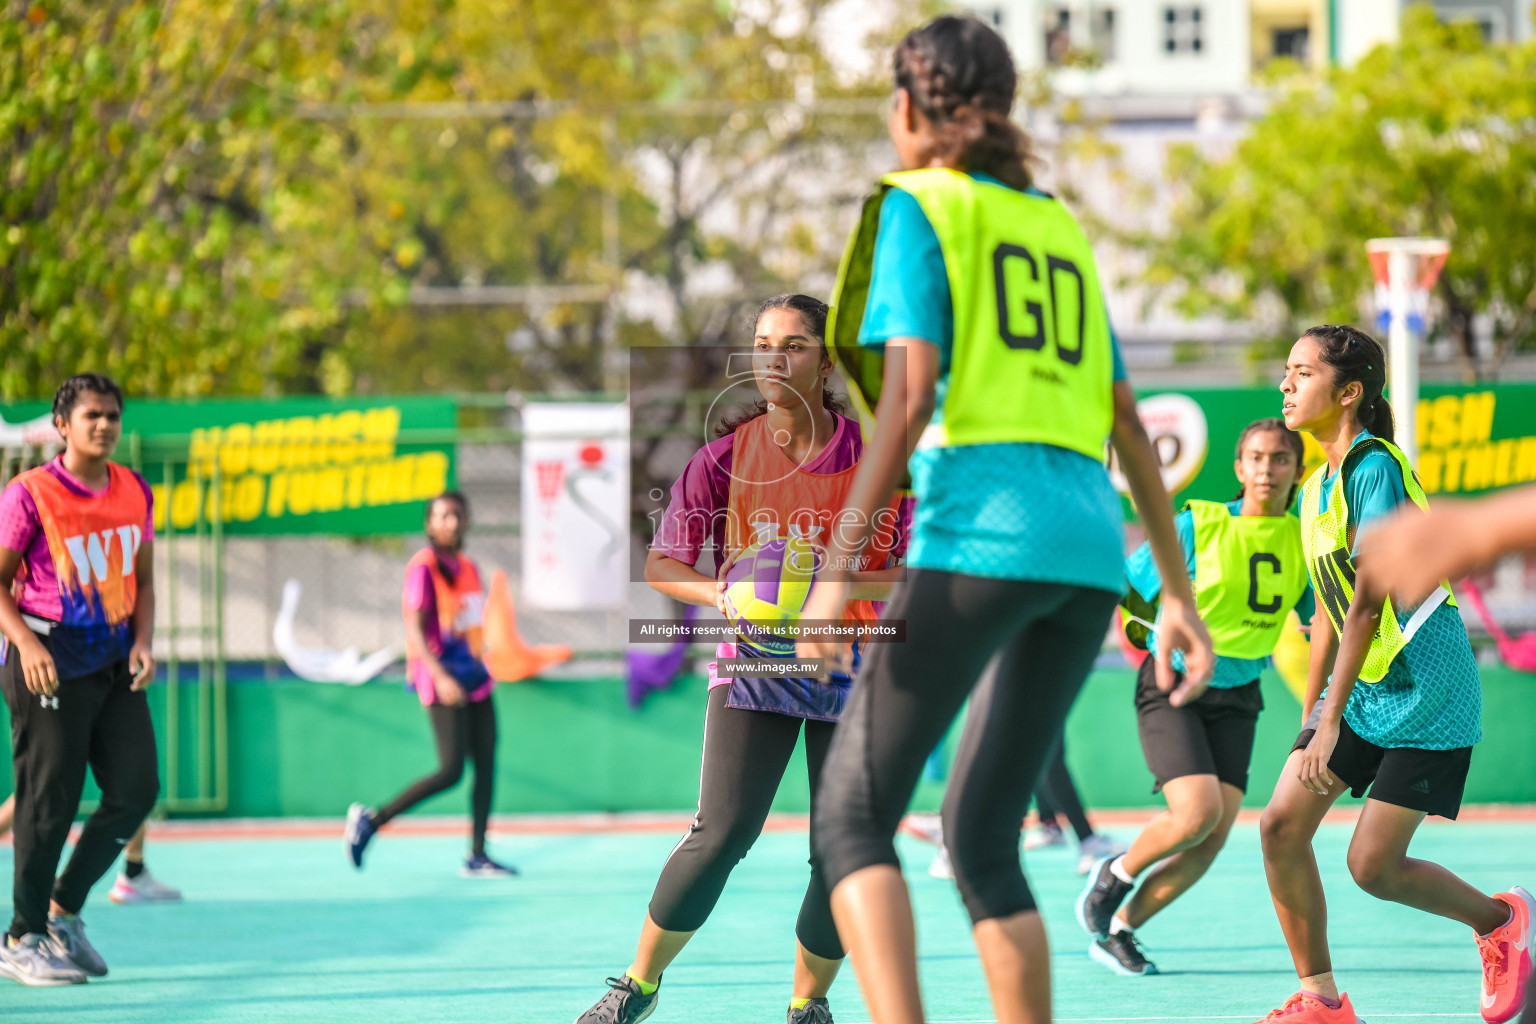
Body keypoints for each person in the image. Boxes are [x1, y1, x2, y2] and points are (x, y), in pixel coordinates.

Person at [795, 17, 1214, 1024]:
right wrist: (1179, 596)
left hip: (982, 531)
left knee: (850, 817)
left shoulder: (921, 206)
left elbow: (907, 397)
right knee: (982, 837)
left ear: (907, 109)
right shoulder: (1055, 223)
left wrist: (834, 569)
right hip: (1084, 552)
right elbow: (1123, 417)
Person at [574, 294, 908, 1024]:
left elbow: (905, 571)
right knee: (720, 834)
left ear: (826, 361)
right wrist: (723, 592)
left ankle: (807, 1002)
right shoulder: (723, 458)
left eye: (792, 345)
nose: (774, 359)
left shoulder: (874, 459)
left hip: (848, 666)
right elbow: (665, 564)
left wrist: (830, 582)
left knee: (841, 846)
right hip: (755, 665)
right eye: (763, 345)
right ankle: (637, 985)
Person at [1248, 324, 1531, 1024]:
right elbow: (1327, 611)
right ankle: (1322, 1002)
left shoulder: (1372, 466)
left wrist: (1331, 718)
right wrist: (1315, 715)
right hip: (1360, 689)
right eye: (1287, 370)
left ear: (1349, 393)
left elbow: (1370, 603)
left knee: (1372, 866)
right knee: (1281, 825)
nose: (1286, 383)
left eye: (1302, 371)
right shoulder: (1313, 491)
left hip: (1426, 689)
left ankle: (1499, 922)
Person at [1077, 418, 1314, 977]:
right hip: (1175, 688)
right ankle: (1114, 870)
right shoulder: (1199, 524)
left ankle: (1119, 930)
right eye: (1255, 457)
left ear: (1296, 471)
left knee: (1209, 842)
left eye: (1280, 458)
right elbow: (1132, 590)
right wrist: (1154, 644)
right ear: (1239, 467)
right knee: (1196, 814)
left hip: (1239, 694)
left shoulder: (1303, 540)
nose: (1267, 468)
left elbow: (1318, 620)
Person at [0, 373, 161, 986]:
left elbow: (143, 580)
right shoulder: (29, 494)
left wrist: (144, 641)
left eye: (113, 416)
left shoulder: (134, 490)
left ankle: (62, 909)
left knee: (137, 788)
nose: (105, 426)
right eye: (92, 415)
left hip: (114, 661)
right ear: (61, 425)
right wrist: (23, 642)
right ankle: (22, 935)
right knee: (49, 801)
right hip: (45, 658)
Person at [344, 490, 516, 878]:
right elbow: (416, 629)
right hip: (441, 681)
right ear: (430, 524)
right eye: (443, 516)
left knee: (486, 764)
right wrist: (440, 676)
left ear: (467, 519)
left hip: (476, 680)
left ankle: (477, 854)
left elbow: (469, 621)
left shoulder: (469, 567)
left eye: (458, 514)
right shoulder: (423, 567)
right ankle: (372, 821)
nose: (451, 522)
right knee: (451, 770)